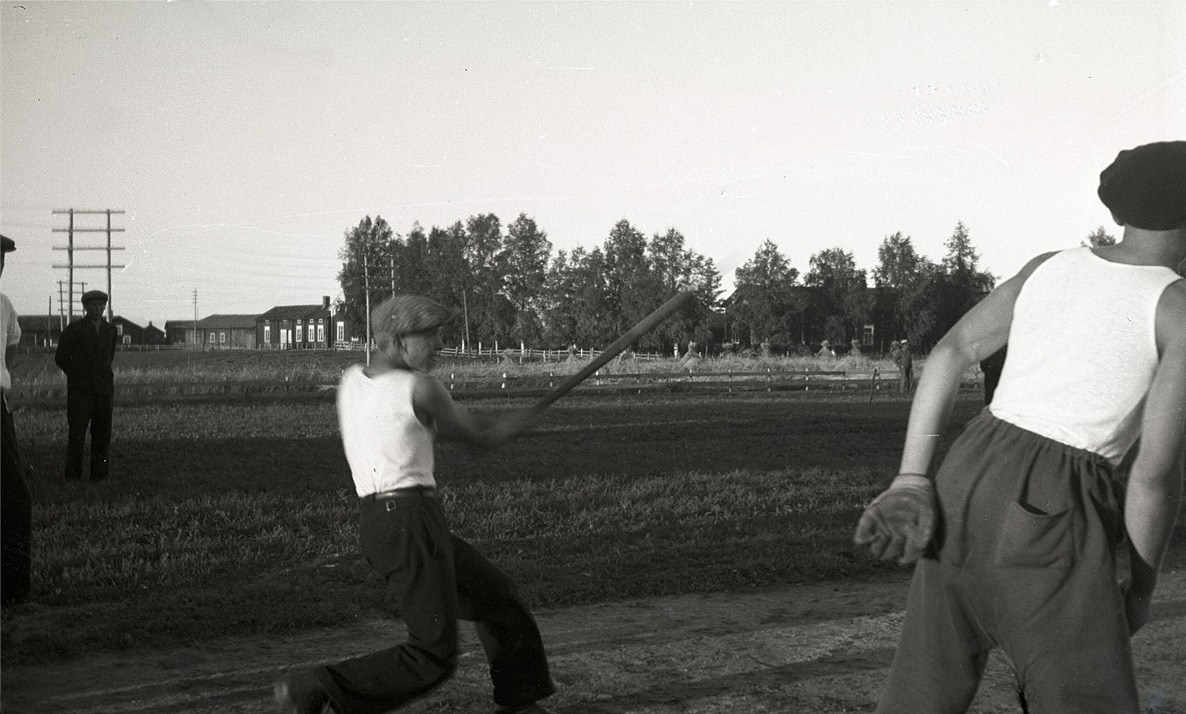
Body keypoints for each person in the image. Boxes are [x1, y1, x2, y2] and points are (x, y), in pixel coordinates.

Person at [853, 140, 1186, 713]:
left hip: (970, 464)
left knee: (924, 687)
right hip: (1060, 492)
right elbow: (1154, 473)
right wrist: (1143, 588)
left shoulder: (1050, 265)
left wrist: (912, 478)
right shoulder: (1176, 306)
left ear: (1118, 208)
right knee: (1085, 696)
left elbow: (952, 349)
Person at [274, 294, 555, 714]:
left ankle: (520, 701)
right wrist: (515, 425)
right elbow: (480, 437)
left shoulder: (352, 380)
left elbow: (441, 427)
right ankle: (316, 686)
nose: (441, 345)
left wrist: (505, 423)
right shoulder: (419, 388)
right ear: (399, 341)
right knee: (434, 654)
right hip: (410, 520)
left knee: (498, 598)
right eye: (431, 336)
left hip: (384, 522)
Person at [54, 289, 119, 481]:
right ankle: (73, 476)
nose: (98, 309)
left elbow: (108, 357)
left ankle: (99, 475)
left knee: (102, 435)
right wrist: (78, 375)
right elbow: (61, 358)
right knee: (77, 435)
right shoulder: (74, 330)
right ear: (85, 308)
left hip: (103, 391)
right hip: (80, 392)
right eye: (93, 305)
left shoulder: (111, 331)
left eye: (101, 305)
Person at [1, 234, 32, 607]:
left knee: (15, 498)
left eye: (1, 260)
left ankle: (12, 589)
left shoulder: (4, 306)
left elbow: (10, 354)